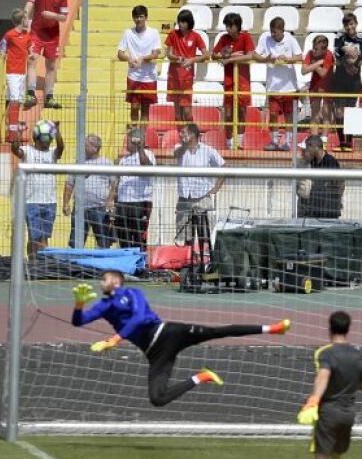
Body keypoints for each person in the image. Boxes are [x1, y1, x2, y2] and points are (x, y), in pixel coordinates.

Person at [71, 269, 291, 407]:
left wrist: (115, 339)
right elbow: (78, 322)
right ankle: (201, 377)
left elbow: (138, 318)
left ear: (117, 281)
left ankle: (272, 328)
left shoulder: (132, 294)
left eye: (105, 278)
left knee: (218, 331)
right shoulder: (103, 305)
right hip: (154, 353)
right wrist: (79, 305)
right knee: (157, 398)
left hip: (168, 333)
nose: (101, 281)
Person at [297, 310, 362, 459]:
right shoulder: (357, 354)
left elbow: (323, 376)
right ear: (348, 328)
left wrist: (313, 401)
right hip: (348, 413)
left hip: (329, 412)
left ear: (329, 327)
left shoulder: (326, 353)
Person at [10, 119, 64, 258]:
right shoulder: (28, 151)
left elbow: (61, 147)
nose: (47, 142)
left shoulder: (52, 153)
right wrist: (19, 133)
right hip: (31, 201)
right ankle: (33, 260)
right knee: (34, 237)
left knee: (45, 237)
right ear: (37, 138)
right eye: (45, 139)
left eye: (49, 139)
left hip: (49, 201)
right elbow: (15, 149)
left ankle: (42, 264)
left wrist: (56, 131)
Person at [24, 0, 69, 109]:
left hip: (52, 36)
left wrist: (51, 15)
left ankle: (49, 96)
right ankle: (30, 94)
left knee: (50, 66)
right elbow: (29, 3)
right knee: (31, 60)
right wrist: (25, 15)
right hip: (36, 32)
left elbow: (63, 17)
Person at [255, 16, 304, 151]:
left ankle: (288, 142)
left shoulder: (290, 39)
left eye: (275, 31)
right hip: (273, 86)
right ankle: (274, 141)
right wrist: (267, 59)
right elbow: (255, 55)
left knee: (289, 116)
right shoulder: (265, 39)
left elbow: (300, 56)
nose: (272, 34)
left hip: (290, 87)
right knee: (273, 115)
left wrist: (288, 60)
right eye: (271, 31)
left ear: (282, 30)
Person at [210, 11, 256, 148]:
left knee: (242, 112)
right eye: (227, 26)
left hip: (242, 80)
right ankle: (230, 143)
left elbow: (249, 55)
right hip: (229, 80)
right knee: (229, 113)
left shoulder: (245, 37)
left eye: (230, 26)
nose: (228, 29)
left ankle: (240, 143)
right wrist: (226, 56)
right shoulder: (224, 38)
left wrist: (230, 59)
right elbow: (214, 55)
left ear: (237, 26)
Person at [173, 122, 224, 243]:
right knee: (184, 236)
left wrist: (217, 186)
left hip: (202, 198)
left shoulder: (208, 150)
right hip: (184, 198)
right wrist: (184, 145)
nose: (180, 135)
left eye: (183, 133)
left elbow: (224, 166)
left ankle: (205, 261)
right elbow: (176, 154)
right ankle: (187, 260)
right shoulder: (179, 148)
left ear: (192, 134)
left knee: (205, 236)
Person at [62, 133, 114, 249]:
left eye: (86, 145)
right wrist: (66, 203)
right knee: (75, 242)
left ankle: (103, 266)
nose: (83, 147)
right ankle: (75, 265)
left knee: (103, 242)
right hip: (80, 209)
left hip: (100, 208)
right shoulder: (78, 162)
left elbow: (115, 183)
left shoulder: (107, 163)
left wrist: (110, 200)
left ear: (95, 148)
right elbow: (69, 184)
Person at [117, 4, 163, 125]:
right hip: (134, 76)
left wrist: (142, 59)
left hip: (149, 77)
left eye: (141, 16)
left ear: (146, 18)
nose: (138, 19)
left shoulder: (153, 33)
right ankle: (134, 134)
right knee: (134, 107)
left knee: (145, 110)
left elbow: (156, 54)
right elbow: (120, 53)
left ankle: (142, 138)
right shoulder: (128, 33)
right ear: (133, 18)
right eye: (136, 17)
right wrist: (129, 59)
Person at [112, 128, 156, 251]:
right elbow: (118, 182)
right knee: (123, 238)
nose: (126, 144)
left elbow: (148, 168)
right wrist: (113, 201)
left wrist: (141, 148)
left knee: (139, 238)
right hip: (123, 203)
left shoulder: (148, 154)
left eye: (128, 141)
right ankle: (126, 265)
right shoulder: (123, 160)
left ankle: (140, 267)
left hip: (140, 202)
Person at [330, 13, 362, 151]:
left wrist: (354, 65)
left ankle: (349, 142)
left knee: (350, 111)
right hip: (340, 78)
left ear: (356, 23)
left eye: (351, 24)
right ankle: (342, 142)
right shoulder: (340, 36)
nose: (349, 27)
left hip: (354, 79)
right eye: (347, 25)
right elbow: (337, 52)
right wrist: (347, 61)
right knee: (339, 111)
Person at [165, 9, 206, 126]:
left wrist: (192, 60)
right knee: (177, 113)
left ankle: (191, 137)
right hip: (174, 75)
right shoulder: (173, 34)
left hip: (187, 77)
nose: (181, 24)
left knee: (187, 111)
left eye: (184, 22)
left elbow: (206, 54)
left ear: (189, 22)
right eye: (180, 22)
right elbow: (168, 54)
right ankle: (181, 139)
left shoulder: (196, 36)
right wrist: (179, 59)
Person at [0, 7, 36, 119]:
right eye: (27, 19)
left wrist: (31, 54)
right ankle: (11, 125)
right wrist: (3, 55)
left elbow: (29, 47)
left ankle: (5, 122)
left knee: (17, 100)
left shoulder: (26, 34)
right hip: (11, 72)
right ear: (23, 20)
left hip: (22, 73)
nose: (28, 21)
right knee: (15, 99)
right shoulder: (9, 35)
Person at [297, 134, 343, 219]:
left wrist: (337, 201)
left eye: (308, 147)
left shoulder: (330, 161)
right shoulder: (313, 162)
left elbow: (340, 183)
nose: (307, 150)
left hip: (329, 209)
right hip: (315, 208)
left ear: (315, 147)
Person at [302, 35, 334, 137]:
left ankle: (324, 140)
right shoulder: (310, 53)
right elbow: (303, 71)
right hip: (315, 86)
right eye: (313, 47)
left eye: (316, 49)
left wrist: (312, 65)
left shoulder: (329, 54)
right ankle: (314, 139)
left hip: (328, 87)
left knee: (326, 115)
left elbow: (323, 73)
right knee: (314, 114)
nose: (314, 50)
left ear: (324, 50)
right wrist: (317, 63)